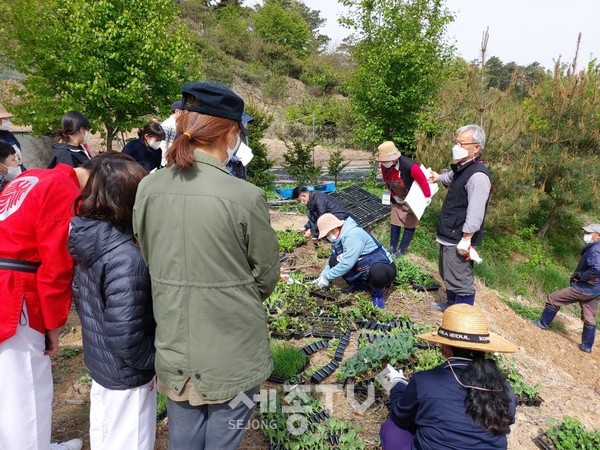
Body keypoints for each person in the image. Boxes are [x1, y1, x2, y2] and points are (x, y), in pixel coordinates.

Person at [133, 81, 280, 449]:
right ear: (230, 133)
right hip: (232, 348)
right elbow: (265, 276)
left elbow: (148, 254)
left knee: (182, 437)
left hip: (174, 343)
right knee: (225, 439)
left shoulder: (148, 189)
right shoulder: (244, 196)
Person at [0, 154, 119, 450]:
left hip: (7, 274)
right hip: (15, 287)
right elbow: (56, 264)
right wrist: (53, 324)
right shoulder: (63, 191)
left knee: (9, 385)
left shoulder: (36, 176)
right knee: (25, 387)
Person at [69, 153, 156, 449]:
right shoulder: (126, 256)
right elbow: (126, 333)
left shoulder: (90, 236)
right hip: (127, 371)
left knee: (107, 434)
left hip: (102, 358)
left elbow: (83, 299)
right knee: (131, 438)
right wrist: (153, 362)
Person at [380, 303, 518, 450]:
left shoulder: (425, 381)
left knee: (392, 429)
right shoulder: (504, 389)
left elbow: (401, 417)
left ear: (444, 347)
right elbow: (505, 421)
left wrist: (397, 385)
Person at [429, 125, 491, 311]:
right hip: (449, 232)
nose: (456, 147)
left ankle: (462, 317)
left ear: (476, 147)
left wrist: (466, 238)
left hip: (459, 237)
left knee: (460, 279)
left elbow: (476, 211)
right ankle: (450, 306)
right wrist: (437, 177)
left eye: (461, 144)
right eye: (456, 142)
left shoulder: (478, 176)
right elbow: (450, 177)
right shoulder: (463, 168)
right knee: (447, 272)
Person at [532, 224, 600, 353]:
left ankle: (542, 324)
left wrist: (581, 277)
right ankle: (586, 347)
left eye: (589, 233)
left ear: (598, 235)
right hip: (596, 290)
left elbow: (597, 268)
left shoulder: (596, 249)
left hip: (584, 287)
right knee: (589, 316)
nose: (585, 235)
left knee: (553, 299)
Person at [314, 213, 397, 308]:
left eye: (327, 234)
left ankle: (378, 295)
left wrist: (327, 277)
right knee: (334, 261)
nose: (327, 238)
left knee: (377, 272)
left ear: (334, 228)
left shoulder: (352, 235)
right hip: (364, 267)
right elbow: (332, 259)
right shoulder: (337, 239)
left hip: (384, 267)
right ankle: (359, 285)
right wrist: (323, 275)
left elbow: (347, 264)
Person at [376, 141, 431, 257]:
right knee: (395, 220)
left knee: (410, 223)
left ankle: (401, 250)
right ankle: (392, 247)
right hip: (398, 196)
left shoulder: (410, 166)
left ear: (394, 159)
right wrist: (393, 195)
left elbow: (423, 181)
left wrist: (427, 196)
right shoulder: (384, 166)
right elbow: (386, 181)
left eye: (385, 161)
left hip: (412, 196)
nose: (382, 163)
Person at [0, 103, 25, 169]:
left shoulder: (8, 135)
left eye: (7, 119)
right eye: (4, 119)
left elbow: (19, 159)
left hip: (17, 174)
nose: (8, 122)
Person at [159, 101, 183, 167]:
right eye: (183, 112)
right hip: (167, 162)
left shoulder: (177, 124)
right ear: (178, 111)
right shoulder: (167, 125)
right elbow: (163, 144)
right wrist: (166, 161)